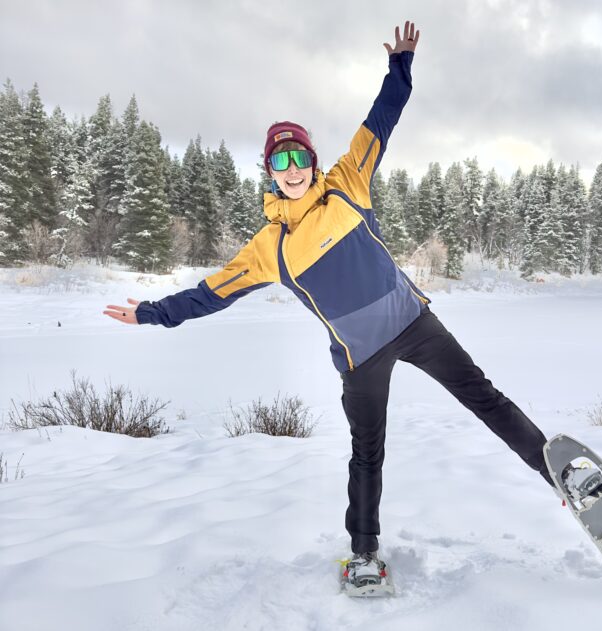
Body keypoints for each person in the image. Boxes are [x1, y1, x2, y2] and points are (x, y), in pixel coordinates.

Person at [104, 20, 554, 594]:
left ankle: (556, 472)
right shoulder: (269, 247)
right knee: (368, 454)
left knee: (484, 399)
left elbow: (381, 120)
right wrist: (150, 313)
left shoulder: (347, 183)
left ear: (313, 162)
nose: (292, 172)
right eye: (280, 164)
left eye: (298, 159)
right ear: (270, 174)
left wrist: (402, 65)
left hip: (415, 324)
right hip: (360, 357)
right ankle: (364, 553)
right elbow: (208, 294)